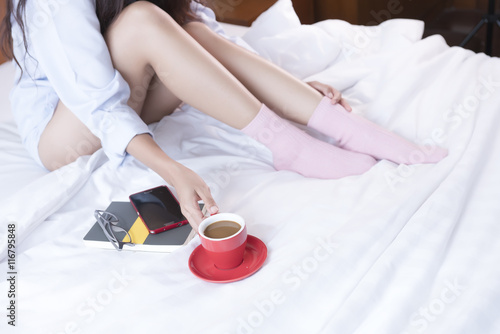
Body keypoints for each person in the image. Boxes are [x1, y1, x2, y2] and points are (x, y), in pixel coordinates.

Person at [0, 0, 447, 229]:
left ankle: (345, 127)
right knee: (139, 20)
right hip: (65, 132)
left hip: (123, 95)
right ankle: (288, 146)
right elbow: (94, 103)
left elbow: (202, 39)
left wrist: (284, 89)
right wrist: (172, 170)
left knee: (187, 25)